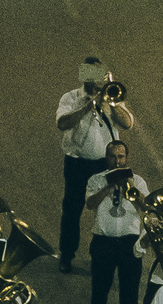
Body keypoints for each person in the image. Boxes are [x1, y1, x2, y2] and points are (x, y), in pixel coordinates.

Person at [55, 57, 133, 267]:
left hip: (106, 164)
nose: (98, 81)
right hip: (77, 163)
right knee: (72, 210)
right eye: (93, 76)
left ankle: (105, 255)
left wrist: (111, 103)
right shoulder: (71, 97)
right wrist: (89, 105)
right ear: (85, 77)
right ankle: (67, 254)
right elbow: (62, 123)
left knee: (110, 208)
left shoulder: (112, 97)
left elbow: (127, 124)